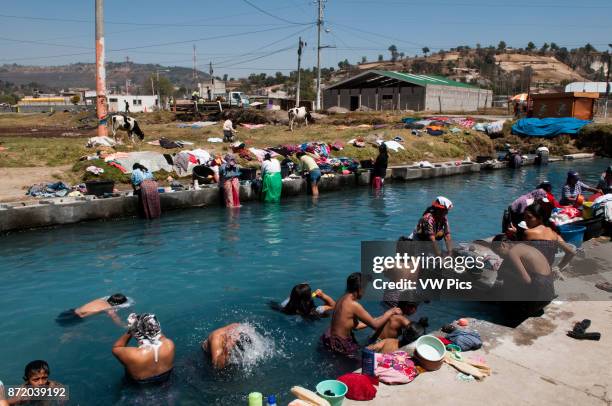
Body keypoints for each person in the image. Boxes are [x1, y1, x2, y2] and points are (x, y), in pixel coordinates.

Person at [320, 273, 402, 357]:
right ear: (359, 289)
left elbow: (356, 326)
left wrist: (378, 318)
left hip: (330, 339)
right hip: (341, 345)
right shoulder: (353, 305)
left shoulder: (342, 299)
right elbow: (376, 326)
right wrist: (390, 312)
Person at [112, 313, 175, 385]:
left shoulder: (133, 355)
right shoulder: (169, 344)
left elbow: (116, 347)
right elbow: (158, 335)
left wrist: (131, 330)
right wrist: (149, 324)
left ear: (135, 333)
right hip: (166, 379)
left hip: (140, 386)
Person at [492, 236, 556, 305]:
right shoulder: (522, 246)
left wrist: (508, 275)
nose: (500, 256)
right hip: (549, 292)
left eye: (498, 253)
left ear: (503, 245)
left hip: (540, 294)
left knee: (506, 271)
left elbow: (527, 280)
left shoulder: (512, 252)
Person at [517, 203, 575, 269]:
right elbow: (571, 252)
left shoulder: (528, 233)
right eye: (524, 217)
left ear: (540, 218)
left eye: (529, 217)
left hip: (532, 272)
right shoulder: (554, 234)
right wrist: (558, 267)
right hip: (547, 270)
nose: (526, 220)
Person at [56, 293, 128, 326]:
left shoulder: (100, 300)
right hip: (74, 318)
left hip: (71, 311)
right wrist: (124, 326)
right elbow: (116, 320)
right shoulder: (109, 309)